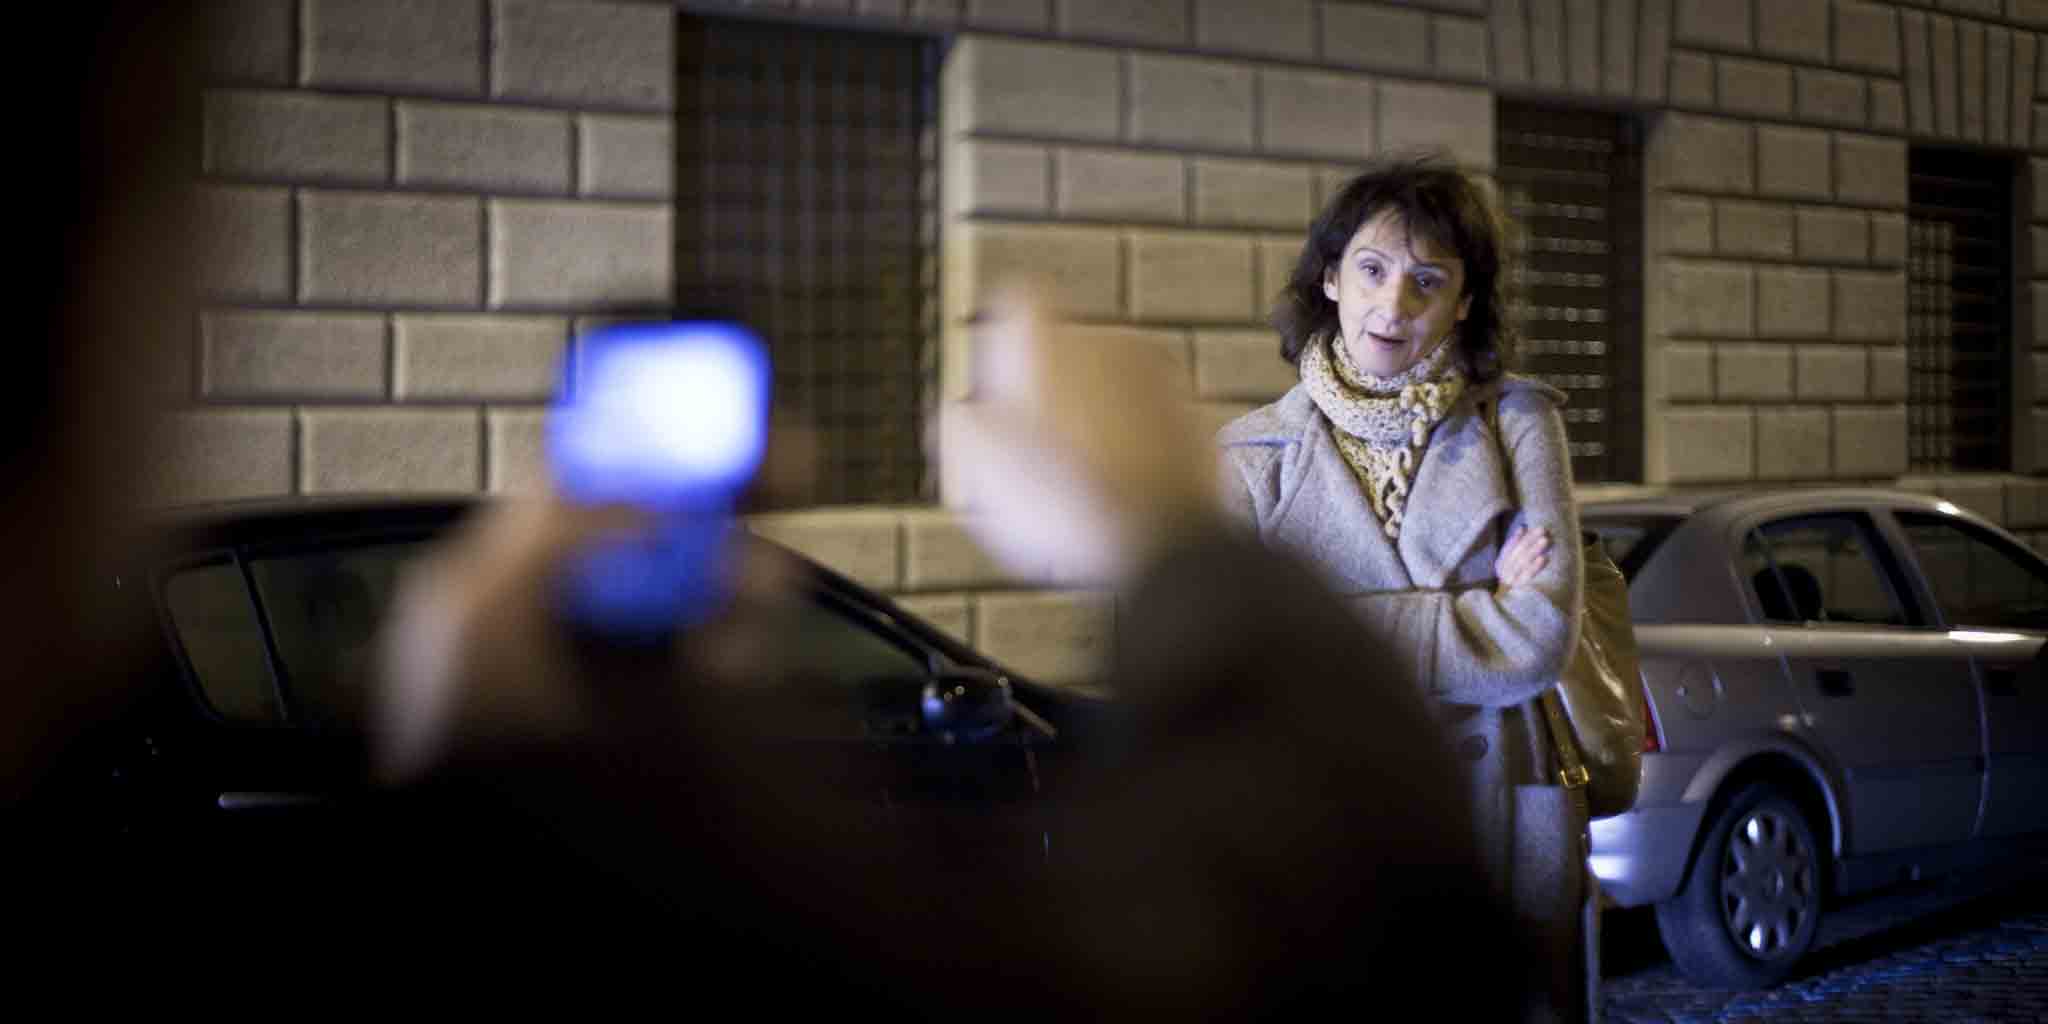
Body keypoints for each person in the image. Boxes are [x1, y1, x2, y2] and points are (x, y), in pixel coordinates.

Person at [1216, 155, 1591, 1022]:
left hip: (1491, 821)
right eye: (1373, 269)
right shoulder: (1248, 456)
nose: (1395, 304)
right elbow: (1242, 664)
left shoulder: (1519, 421)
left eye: (1428, 280)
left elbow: (1537, 640)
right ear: (1330, 279)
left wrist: (1326, 630)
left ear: (1464, 301)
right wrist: (1470, 613)